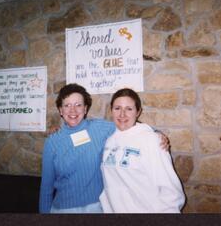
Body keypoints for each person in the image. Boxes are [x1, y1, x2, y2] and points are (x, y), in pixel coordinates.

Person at [39, 83, 170, 213]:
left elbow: (128, 125)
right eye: (67, 105)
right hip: (64, 210)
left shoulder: (100, 128)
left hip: (98, 207)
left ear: (85, 109)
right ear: (60, 110)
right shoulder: (53, 142)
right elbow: (46, 188)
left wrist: (156, 132)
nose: (73, 110)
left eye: (78, 105)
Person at [99, 88, 185, 213]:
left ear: (138, 112)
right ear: (111, 110)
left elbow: (171, 190)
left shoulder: (152, 140)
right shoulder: (109, 141)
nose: (122, 114)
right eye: (117, 108)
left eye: (129, 109)